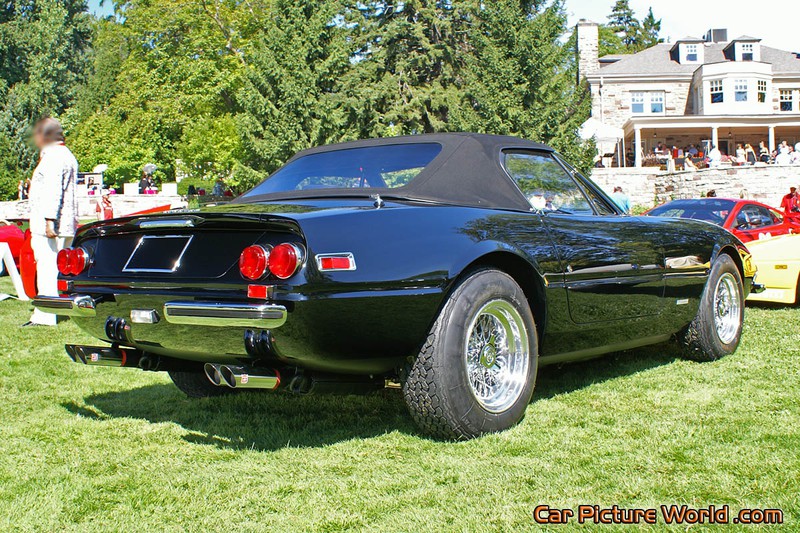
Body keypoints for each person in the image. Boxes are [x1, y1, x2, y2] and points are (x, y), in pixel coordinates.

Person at [23, 118, 78, 327]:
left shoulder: (53, 157)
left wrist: (49, 220)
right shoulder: (67, 155)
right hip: (64, 223)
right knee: (60, 269)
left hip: (51, 224)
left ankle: (45, 315)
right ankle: (61, 307)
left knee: (47, 269)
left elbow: (53, 190)